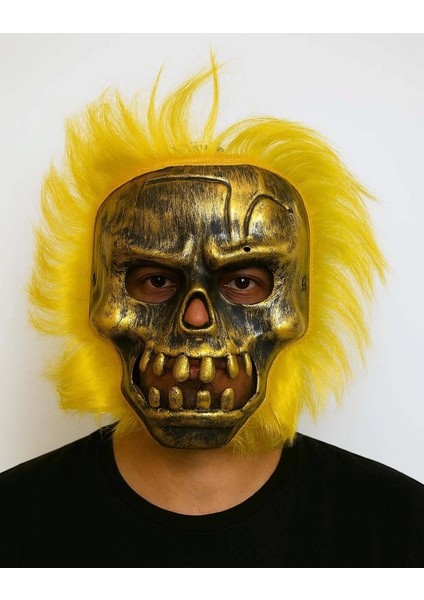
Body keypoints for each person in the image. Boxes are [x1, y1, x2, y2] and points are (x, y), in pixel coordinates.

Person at [1, 61, 423, 567]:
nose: (197, 318)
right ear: (96, 295)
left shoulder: (399, 526)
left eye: (243, 282)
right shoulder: (14, 519)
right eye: (156, 280)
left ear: (302, 297)